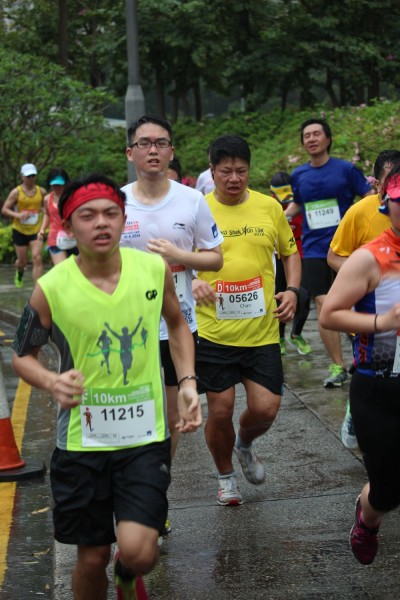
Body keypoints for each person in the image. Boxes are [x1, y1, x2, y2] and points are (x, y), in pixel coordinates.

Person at [11, 173, 202, 600]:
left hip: (144, 437)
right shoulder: (51, 288)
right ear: (67, 225)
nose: (101, 222)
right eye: (88, 215)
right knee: (92, 555)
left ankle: (128, 574)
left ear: (122, 218)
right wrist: (52, 381)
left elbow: (177, 323)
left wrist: (188, 381)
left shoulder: (152, 269)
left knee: (140, 551)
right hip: (82, 442)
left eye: (111, 213)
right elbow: (22, 355)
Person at [194, 134, 301, 506]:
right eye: (226, 171)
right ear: (212, 171)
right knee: (220, 408)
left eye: (241, 171)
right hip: (213, 331)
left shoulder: (268, 207)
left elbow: (290, 252)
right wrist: (192, 283)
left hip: (261, 331)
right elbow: (177, 261)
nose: (234, 178)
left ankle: (244, 443)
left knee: (266, 409)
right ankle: (226, 478)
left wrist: (293, 290)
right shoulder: (197, 209)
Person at [120, 114, 223, 462]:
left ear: (171, 152)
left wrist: (180, 257)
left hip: (178, 324)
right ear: (130, 153)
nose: (153, 150)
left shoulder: (192, 200)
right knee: (134, 415)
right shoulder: (117, 203)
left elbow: (215, 258)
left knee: (170, 418)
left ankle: (158, 486)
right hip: (129, 326)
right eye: (144, 143)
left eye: (160, 143)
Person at [320, 165, 400, 566]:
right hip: (379, 386)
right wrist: (383, 322)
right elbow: (329, 314)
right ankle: (368, 518)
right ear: (387, 203)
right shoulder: (369, 258)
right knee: (388, 491)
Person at [285, 118, 372, 387]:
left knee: (353, 303)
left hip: (346, 248)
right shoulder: (299, 174)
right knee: (324, 304)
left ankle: (361, 356)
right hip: (313, 249)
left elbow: (369, 197)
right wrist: (280, 218)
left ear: (328, 139)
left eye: (316, 134)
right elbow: (298, 203)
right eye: (306, 135)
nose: (311, 139)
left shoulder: (346, 170)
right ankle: (338, 366)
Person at [327, 149, 400, 449]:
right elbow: (334, 256)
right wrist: (367, 280)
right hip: (372, 317)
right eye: (388, 186)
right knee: (373, 369)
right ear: (378, 186)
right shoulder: (359, 212)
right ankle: (355, 412)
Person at [270, 171, 312, 356]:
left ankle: (296, 334)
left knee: (304, 295)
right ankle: (279, 338)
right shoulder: (269, 206)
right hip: (279, 257)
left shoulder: (300, 203)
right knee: (279, 295)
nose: (286, 200)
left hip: (301, 254)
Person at [1, 163, 46, 287]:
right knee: (22, 261)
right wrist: (18, 215)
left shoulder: (41, 191)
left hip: (36, 230)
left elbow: (45, 206)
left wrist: (44, 210)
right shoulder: (16, 192)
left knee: (37, 258)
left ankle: (38, 288)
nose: (31, 179)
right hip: (19, 230)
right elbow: (4, 209)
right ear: (22, 177)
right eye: (28, 176)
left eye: (33, 176)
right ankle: (19, 272)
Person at [38, 167, 78, 265]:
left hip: (74, 236)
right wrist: (42, 229)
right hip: (55, 238)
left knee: (77, 268)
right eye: (54, 185)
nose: (57, 188)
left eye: (60, 185)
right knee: (61, 268)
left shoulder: (73, 197)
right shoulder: (47, 199)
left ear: (65, 183)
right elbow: (47, 214)